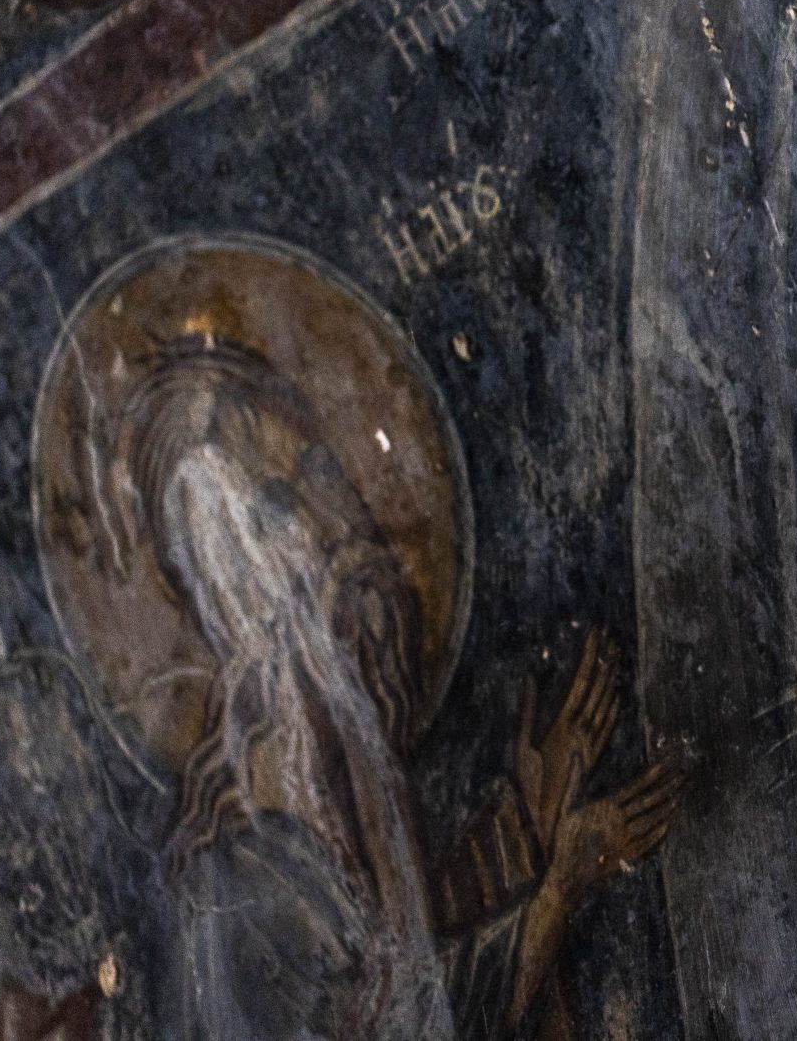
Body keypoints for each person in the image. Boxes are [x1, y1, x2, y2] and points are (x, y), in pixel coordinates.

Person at [114, 339, 684, 1040]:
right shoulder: (239, 877)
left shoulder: (352, 765)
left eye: (322, 470)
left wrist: (530, 817)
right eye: (274, 507)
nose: (328, 523)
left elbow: (407, 946)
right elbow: (401, 1023)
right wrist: (560, 889)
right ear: (228, 580)